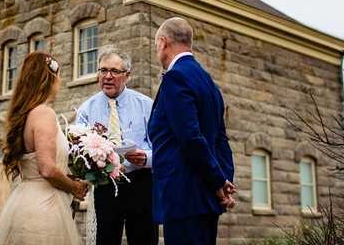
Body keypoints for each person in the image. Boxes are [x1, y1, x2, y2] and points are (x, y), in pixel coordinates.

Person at [148, 17, 236, 245]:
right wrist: (224, 182)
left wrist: (219, 182)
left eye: (156, 44)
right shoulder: (209, 82)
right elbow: (221, 141)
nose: (157, 50)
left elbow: (190, 137)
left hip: (183, 197)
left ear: (164, 42)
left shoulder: (175, 77)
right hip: (206, 198)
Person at [0, 51, 89, 245]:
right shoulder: (44, 114)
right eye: (59, 75)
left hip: (25, 201)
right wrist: (74, 187)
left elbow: (37, 164)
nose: (60, 81)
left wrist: (66, 176)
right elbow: (46, 168)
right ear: (49, 78)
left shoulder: (24, 115)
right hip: (44, 208)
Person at [77, 47, 157, 245]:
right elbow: (76, 152)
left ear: (127, 75)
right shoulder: (86, 110)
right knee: (105, 240)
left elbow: (164, 148)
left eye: (114, 71)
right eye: (103, 71)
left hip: (141, 185)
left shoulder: (146, 105)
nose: (108, 76)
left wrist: (146, 158)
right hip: (105, 187)